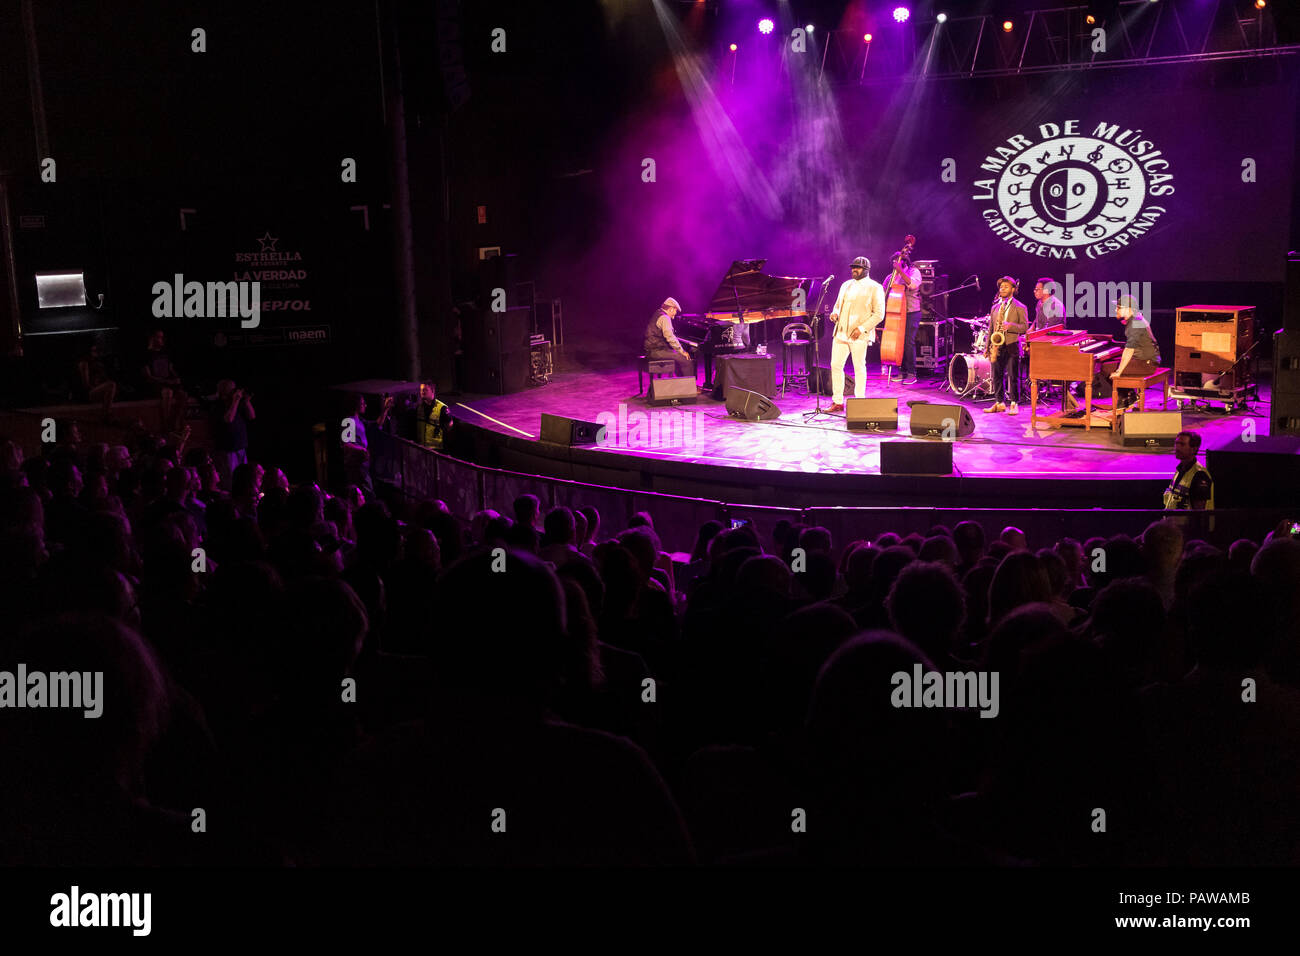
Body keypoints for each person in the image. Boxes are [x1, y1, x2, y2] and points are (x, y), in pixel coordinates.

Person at [827, 256, 885, 413]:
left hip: (859, 335)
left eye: (857, 267)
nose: (854, 269)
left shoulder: (875, 287)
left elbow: (879, 314)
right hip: (841, 333)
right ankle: (838, 402)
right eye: (853, 267)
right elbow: (837, 306)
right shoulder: (846, 285)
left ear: (866, 270)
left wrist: (862, 328)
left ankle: (860, 402)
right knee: (835, 365)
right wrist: (835, 313)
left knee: (859, 367)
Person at [983, 276, 1029, 415]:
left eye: (1006, 287)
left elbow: (1025, 327)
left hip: (1012, 345)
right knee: (996, 375)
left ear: (1013, 290)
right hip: (997, 345)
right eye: (1001, 287)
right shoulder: (995, 307)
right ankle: (999, 402)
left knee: (1013, 376)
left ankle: (1014, 403)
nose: (1002, 289)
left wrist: (1010, 326)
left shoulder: (1020, 307)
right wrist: (987, 347)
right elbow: (991, 328)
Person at [1110, 294, 1162, 411]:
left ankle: (1126, 396)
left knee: (1106, 368)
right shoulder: (1136, 319)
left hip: (1146, 364)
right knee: (1113, 364)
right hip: (1147, 360)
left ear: (1128, 309)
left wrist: (1119, 372)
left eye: (1118, 307)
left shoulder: (1135, 323)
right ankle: (1128, 395)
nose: (1115, 310)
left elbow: (1129, 349)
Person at [884, 249, 922, 386]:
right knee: (897, 343)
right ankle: (901, 370)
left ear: (904, 262)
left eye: (898, 261)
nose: (896, 264)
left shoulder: (914, 272)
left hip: (911, 311)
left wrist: (900, 271)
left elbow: (912, 285)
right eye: (894, 262)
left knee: (908, 342)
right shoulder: (890, 277)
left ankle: (911, 373)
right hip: (896, 313)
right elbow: (884, 294)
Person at [141, 329, 188, 432]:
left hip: (168, 383)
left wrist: (176, 378)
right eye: (159, 337)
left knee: (183, 395)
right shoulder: (145, 354)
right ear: (152, 338)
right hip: (155, 384)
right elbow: (148, 376)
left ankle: (176, 422)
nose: (161, 340)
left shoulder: (166, 353)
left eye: (162, 337)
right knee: (168, 392)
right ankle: (166, 425)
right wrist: (167, 382)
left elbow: (170, 369)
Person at [212, 380, 256, 490]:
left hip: (240, 447)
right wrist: (235, 401)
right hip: (227, 449)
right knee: (230, 480)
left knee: (243, 478)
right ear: (224, 391)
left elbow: (252, 416)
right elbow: (228, 419)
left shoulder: (237, 403)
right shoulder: (218, 405)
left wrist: (246, 401)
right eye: (232, 389)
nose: (235, 391)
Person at [643, 297, 696, 382]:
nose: (674, 315)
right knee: (685, 359)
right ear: (671, 309)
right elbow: (670, 337)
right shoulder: (664, 317)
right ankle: (691, 387)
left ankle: (683, 386)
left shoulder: (658, 313)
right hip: (656, 351)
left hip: (652, 350)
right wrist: (681, 351)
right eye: (675, 311)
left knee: (678, 358)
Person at [1163, 430, 1213, 511]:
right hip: (1172, 523)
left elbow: (1199, 514)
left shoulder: (1199, 475)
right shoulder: (1180, 470)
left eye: (1182, 444)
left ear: (1193, 449)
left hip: (1187, 524)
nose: (1177, 447)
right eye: (1176, 443)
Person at [77, 343, 117, 421]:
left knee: (112, 385)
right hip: (87, 393)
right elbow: (86, 384)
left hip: (96, 389)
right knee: (111, 385)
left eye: (98, 350)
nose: (97, 353)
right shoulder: (84, 363)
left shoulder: (98, 363)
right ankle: (105, 414)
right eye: (94, 351)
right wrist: (98, 387)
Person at [412, 381, 452, 450]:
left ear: (433, 391)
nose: (422, 392)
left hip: (436, 449)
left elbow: (450, 424)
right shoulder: (419, 407)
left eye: (425, 390)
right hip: (421, 447)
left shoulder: (442, 408)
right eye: (421, 390)